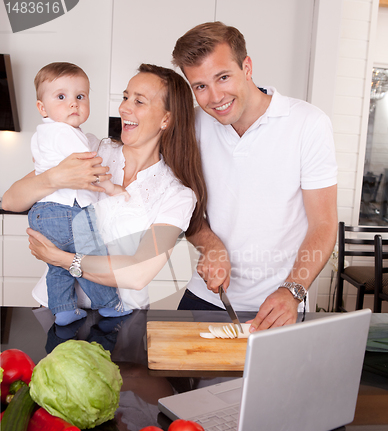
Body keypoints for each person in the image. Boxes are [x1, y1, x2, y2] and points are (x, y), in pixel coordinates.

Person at [172, 22, 338, 331]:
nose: (215, 97)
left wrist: (294, 290)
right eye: (200, 86)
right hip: (208, 296)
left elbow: (324, 224)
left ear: (247, 67)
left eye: (223, 77)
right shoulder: (192, 126)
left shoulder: (308, 123)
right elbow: (186, 210)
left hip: (281, 302)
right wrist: (211, 246)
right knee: (172, 377)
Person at [2, 64, 206, 311]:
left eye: (139, 101)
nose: (124, 107)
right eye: (125, 97)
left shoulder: (178, 194)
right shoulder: (90, 149)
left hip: (121, 318)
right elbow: (10, 201)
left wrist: (61, 259)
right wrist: (55, 178)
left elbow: (138, 273)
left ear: (166, 118)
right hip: (55, 308)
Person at [28, 62, 128, 326]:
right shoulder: (66, 133)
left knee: (58, 263)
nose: (73, 104)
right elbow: (90, 168)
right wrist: (111, 188)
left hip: (41, 212)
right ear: (42, 107)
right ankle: (109, 305)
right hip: (67, 211)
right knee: (88, 259)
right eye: (61, 97)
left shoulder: (42, 134)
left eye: (80, 96)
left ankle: (62, 310)